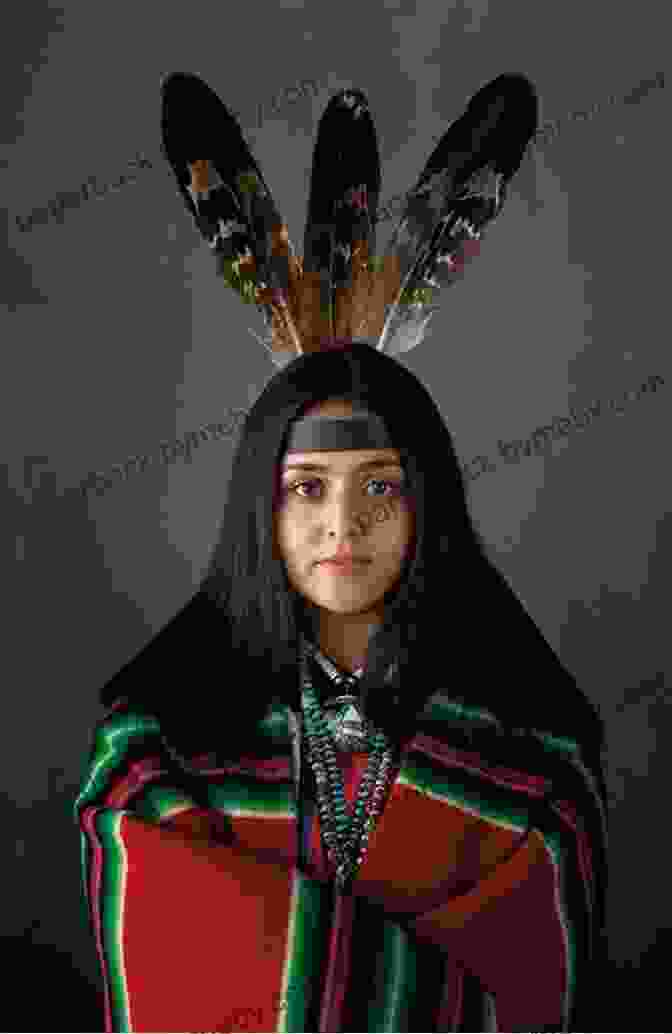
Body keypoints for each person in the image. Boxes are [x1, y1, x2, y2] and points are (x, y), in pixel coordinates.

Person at [74, 72, 607, 1032]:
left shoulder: (535, 760)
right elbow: (167, 969)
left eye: (380, 488)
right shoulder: (157, 756)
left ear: (428, 505)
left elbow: (537, 988)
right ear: (259, 514)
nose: (341, 526)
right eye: (307, 491)